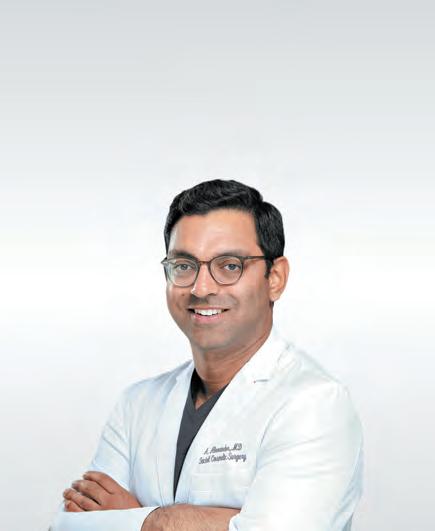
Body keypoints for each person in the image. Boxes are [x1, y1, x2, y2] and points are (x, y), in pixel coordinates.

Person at [50, 179, 363, 531]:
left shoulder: (316, 403)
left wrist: (149, 519)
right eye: (184, 265)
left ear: (275, 278)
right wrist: (229, 521)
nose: (201, 288)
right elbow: (66, 526)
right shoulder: (136, 405)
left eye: (229, 265)